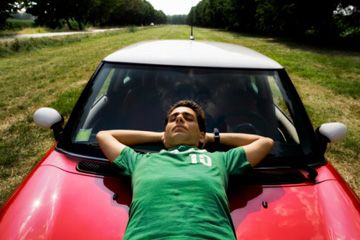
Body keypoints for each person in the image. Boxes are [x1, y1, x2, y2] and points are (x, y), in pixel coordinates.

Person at [96, 100, 274, 240]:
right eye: (173, 119)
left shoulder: (220, 159)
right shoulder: (139, 161)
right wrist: (161, 136)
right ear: (164, 135)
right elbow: (104, 136)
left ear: (201, 135)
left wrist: (212, 138)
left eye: (188, 118)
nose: (179, 119)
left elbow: (264, 143)